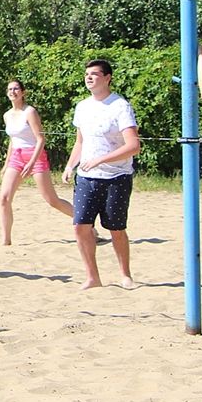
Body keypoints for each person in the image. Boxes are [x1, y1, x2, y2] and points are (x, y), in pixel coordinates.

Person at [62, 59, 140, 290]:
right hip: (87, 178)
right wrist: (70, 165)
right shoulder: (82, 107)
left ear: (107, 78)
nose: (89, 77)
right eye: (87, 74)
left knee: (116, 228)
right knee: (80, 226)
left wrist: (101, 159)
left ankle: (125, 274)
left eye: (94, 74)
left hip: (116, 178)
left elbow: (133, 146)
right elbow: (80, 141)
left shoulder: (120, 106)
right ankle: (92, 277)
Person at [0, 80, 74, 246]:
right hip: (16, 157)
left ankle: (86, 224)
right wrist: (6, 164)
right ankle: (6, 240)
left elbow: (41, 139)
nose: (13, 92)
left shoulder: (30, 112)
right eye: (10, 89)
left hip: (35, 155)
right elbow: (12, 140)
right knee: (4, 198)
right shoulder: (7, 115)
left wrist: (32, 162)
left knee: (52, 200)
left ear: (23, 92)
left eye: (16, 89)